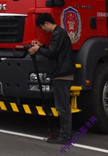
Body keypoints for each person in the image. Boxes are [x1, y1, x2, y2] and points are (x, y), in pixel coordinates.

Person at [28, 13, 75, 144]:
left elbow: (52, 53)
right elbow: (54, 50)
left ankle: (65, 136)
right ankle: (65, 134)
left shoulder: (57, 34)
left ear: (47, 23)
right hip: (62, 73)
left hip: (61, 74)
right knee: (63, 105)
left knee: (62, 106)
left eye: (42, 27)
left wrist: (38, 49)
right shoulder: (59, 33)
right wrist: (42, 46)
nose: (42, 30)